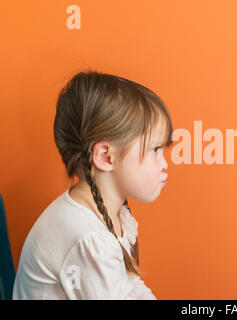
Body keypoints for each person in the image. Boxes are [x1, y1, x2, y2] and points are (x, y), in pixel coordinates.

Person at [13, 70, 173, 299]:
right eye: (155, 150)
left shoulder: (107, 214)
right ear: (106, 157)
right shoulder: (89, 238)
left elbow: (129, 288)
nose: (164, 163)